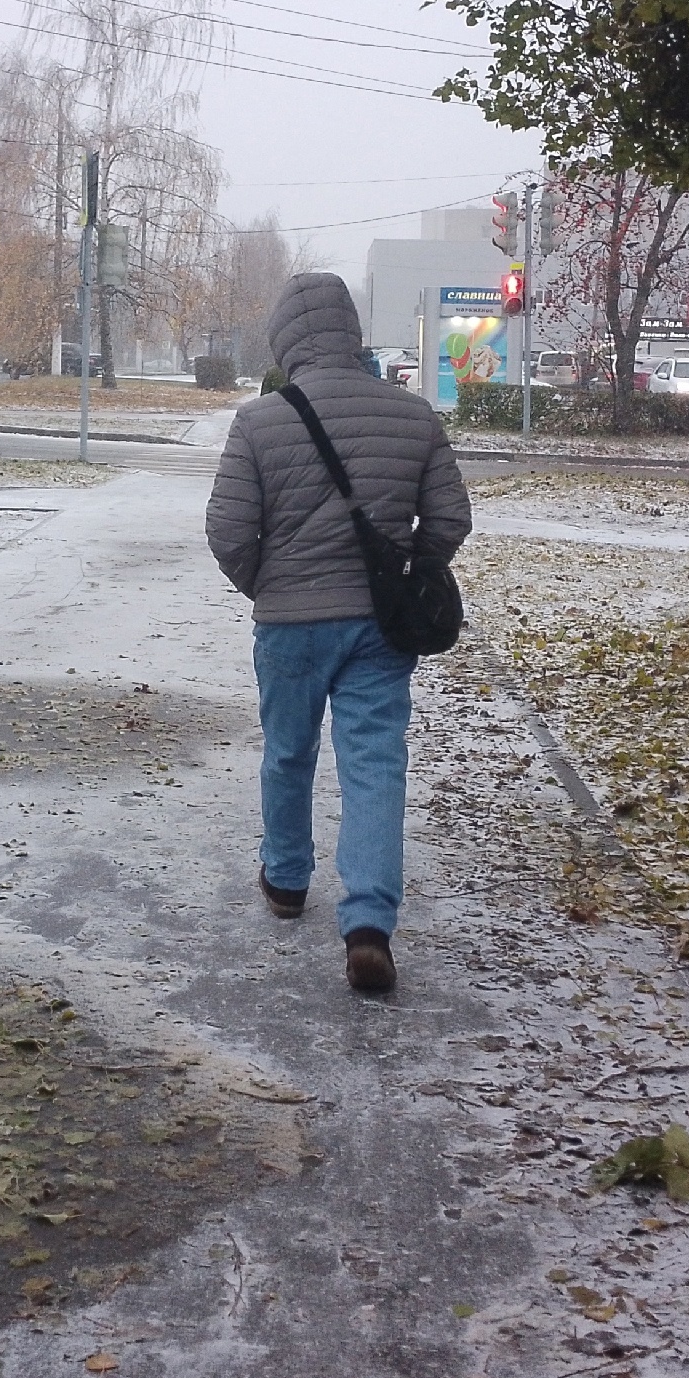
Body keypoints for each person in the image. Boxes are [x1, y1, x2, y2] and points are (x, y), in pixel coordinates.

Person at [205, 272, 472, 995]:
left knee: (289, 753)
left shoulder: (261, 421)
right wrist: (411, 570)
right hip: (379, 630)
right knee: (374, 766)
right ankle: (368, 927)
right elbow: (450, 518)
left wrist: (269, 585)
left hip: (290, 627)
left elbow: (228, 530)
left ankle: (287, 880)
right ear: (351, 334)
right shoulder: (413, 415)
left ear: (286, 339)